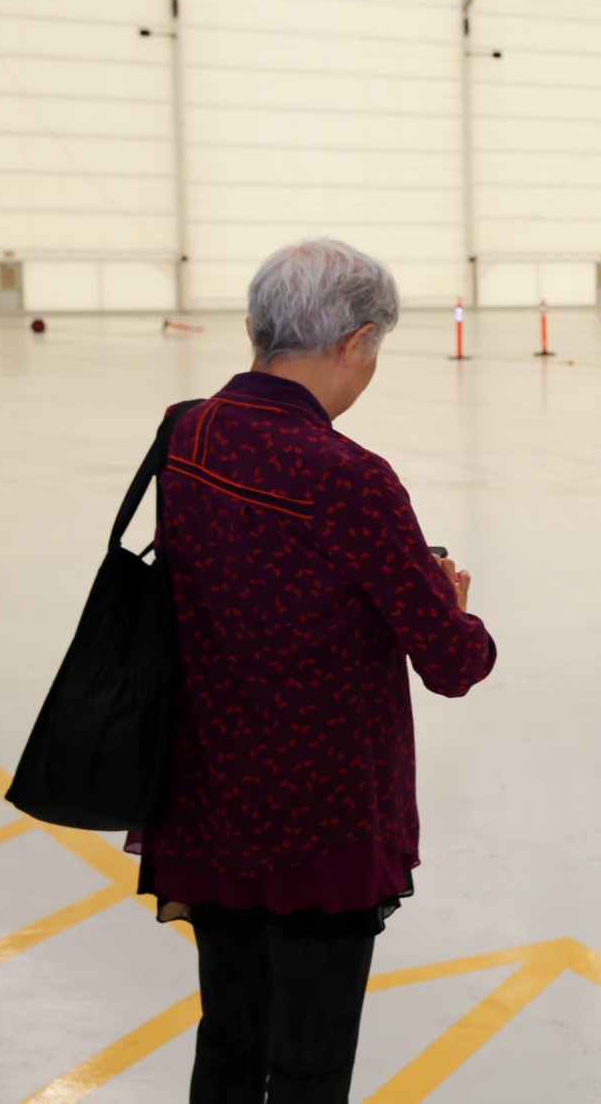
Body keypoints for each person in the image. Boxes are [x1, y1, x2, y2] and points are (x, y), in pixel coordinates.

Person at [126, 238, 497, 1102]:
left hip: (207, 796)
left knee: (229, 1035)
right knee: (309, 1059)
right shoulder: (350, 477)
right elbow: (450, 660)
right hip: (318, 820)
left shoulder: (191, 431)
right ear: (354, 342)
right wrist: (455, 602)